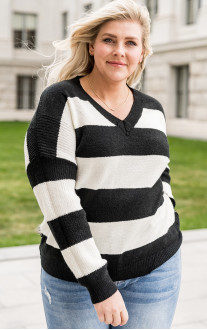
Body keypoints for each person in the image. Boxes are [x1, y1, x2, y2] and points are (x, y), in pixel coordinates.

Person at [24, 0, 182, 328]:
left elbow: (160, 173)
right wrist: (99, 284)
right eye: (109, 40)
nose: (119, 51)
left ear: (142, 53)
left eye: (131, 43)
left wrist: (167, 213)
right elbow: (57, 203)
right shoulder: (60, 102)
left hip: (157, 270)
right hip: (76, 282)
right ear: (93, 46)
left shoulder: (152, 109)